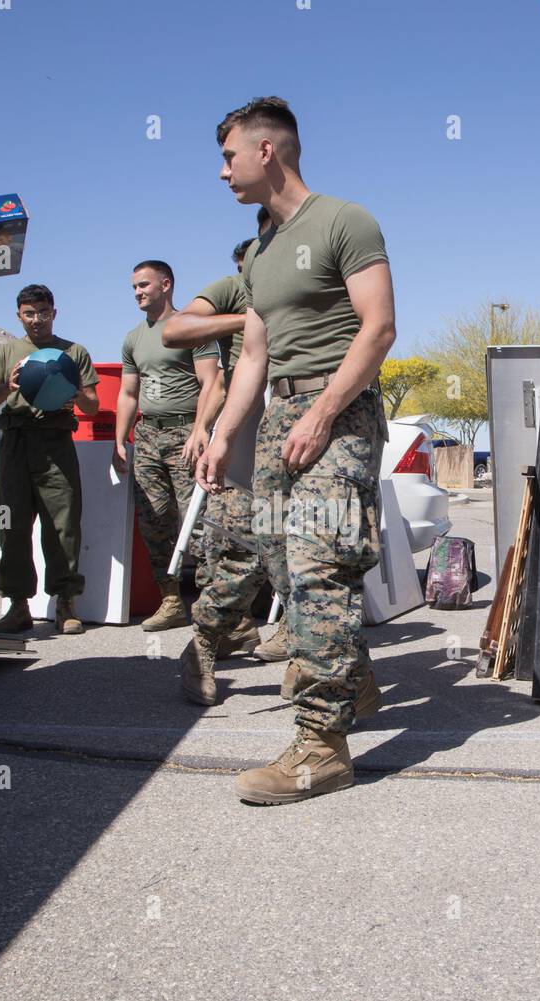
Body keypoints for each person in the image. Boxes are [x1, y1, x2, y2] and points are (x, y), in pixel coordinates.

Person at [198, 97, 396, 803]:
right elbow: (252, 353)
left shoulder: (345, 220)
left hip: (337, 411)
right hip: (282, 411)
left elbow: (378, 329)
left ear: (268, 152)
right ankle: (356, 682)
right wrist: (223, 435)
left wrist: (322, 410)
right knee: (278, 558)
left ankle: (322, 747)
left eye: (228, 156)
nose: (221, 172)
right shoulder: (261, 251)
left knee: (319, 567)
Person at [164, 224, 305, 705]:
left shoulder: (308, 281)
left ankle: (302, 654)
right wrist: (242, 321)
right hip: (243, 444)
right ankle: (201, 645)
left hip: (298, 437)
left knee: (305, 553)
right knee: (238, 554)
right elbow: (176, 329)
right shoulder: (235, 290)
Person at [0, 284, 99, 634]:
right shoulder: (5, 352)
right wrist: (8, 386)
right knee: (11, 524)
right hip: (15, 442)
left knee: (63, 525)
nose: (37, 319)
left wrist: (72, 392)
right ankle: (18, 606)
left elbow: (92, 406)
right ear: (19, 315)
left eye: (43, 312)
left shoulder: (73, 352)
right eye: (29, 313)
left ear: (54, 313)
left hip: (56, 441)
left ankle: (65, 604)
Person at [112, 261, 220, 632]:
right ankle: (171, 600)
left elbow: (212, 384)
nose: (138, 292)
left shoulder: (192, 328)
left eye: (144, 285)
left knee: (199, 523)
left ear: (166, 284)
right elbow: (128, 393)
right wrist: (119, 439)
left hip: (186, 436)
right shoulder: (133, 338)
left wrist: (200, 430)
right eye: (134, 287)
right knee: (155, 523)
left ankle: (212, 609)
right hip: (147, 437)